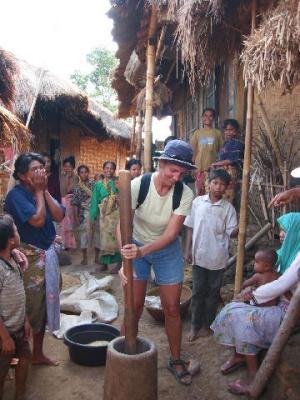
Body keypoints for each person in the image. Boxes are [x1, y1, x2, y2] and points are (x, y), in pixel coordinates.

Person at [119, 139, 195, 385]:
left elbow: (171, 234)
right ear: (161, 164)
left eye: (182, 173)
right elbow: (123, 223)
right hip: (135, 244)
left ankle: (175, 359)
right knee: (134, 305)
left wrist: (143, 253)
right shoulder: (137, 185)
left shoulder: (185, 193)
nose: (177, 177)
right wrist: (126, 258)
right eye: (173, 170)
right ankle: (122, 356)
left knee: (172, 308)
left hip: (166, 250)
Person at [211, 212, 300, 395]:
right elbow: (268, 279)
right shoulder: (285, 251)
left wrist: (252, 296)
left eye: (285, 230)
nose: (281, 234)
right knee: (231, 309)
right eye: (281, 230)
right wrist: (248, 292)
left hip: (288, 312)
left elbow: (281, 285)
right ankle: (239, 355)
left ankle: (254, 374)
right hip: (273, 303)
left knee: (245, 319)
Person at [5, 152, 64, 366]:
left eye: (43, 168)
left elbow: (59, 216)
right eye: (35, 169)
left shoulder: (42, 191)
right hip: (29, 260)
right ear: (22, 175)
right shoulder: (16, 195)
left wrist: (44, 191)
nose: (41, 172)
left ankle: (37, 354)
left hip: (47, 256)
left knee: (44, 306)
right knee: (29, 308)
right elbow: (37, 221)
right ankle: (14, 355)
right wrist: (40, 191)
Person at [184, 169, 238, 341]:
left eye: (222, 184)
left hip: (218, 259)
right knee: (198, 292)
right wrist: (187, 250)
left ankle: (207, 326)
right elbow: (190, 227)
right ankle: (194, 325)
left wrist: (239, 228)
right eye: (215, 182)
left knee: (212, 294)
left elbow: (232, 232)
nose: (218, 187)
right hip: (199, 256)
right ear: (208, 183)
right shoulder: (198, 203)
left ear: (227, 188)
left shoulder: (228, 208)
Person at [0, 215, 31, 400]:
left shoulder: (13, 260)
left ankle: (20, 394)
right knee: (1, 371)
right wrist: (4, 337)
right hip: (4, 333)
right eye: (17, 232)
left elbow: (20, 296)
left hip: (18, 327)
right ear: (11, 240)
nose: (19, 235)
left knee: (25, 358)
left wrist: (25, 319)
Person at [90, 161, 121, 273]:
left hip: (116, 215)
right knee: (104, 240)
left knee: (118, 238)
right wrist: (93, 215)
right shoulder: (98, 184)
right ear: (103, 169)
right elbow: (94, 200)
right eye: (107, 168)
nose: (109, 170)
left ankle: (119, 264)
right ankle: (104, 264)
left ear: (114, 170)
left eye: (111, 168)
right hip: (104, 217)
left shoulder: (118, 181)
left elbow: (122, 195)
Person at [190, 108, 223, 196]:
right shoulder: (197, 133)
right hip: (199, 168)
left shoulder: (217, 133)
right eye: (205, 115)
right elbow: (194, 151)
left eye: (211, 116)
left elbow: (221, 151)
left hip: (212, 169)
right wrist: (193, 168)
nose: (208, 118)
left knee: (211, 194)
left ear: (214, 118)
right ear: (202, 117)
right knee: (200, 193)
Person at [71, 165, 99, 265]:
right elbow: (74, 204)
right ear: (78, 174)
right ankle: (85, 257)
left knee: (96, 235)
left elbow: (99, 198)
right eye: (81, 172)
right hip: (83, 214)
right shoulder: (77, 187)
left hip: (95, 213)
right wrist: (76, 217)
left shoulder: (94, 184)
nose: (84, 174)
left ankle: (97, 257)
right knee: (83, 236)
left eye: (85, 172)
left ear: (88, 173)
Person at [212, 119, 244, 205]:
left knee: (227, 197)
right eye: (226, 130)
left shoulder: (237, 143)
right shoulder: (226, 143)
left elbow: (231, 160)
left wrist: (215, 164)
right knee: (220, 196)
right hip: (223, 173)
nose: (228, 132)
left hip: (231, 173)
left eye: (231, 130)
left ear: (236, 130)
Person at [59, 156, 78, 250]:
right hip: (62, 202)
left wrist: (68, 180)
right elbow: (63, 191)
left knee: (70, 224)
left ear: (73, 167)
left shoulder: (76, 178)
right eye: (65, 166)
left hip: (72, 203)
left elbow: (71, 190)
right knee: (63, 224)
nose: (67, 168)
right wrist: (66, 179)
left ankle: (70, 244)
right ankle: (63, 244)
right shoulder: (61, 177)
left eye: (69, 166)